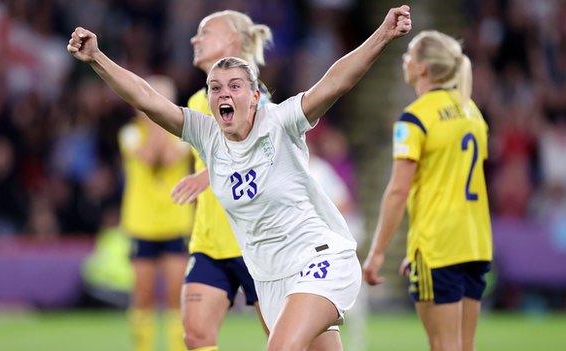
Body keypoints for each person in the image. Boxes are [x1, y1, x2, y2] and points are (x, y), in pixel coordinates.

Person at [67, 5, 411, 350]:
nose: (224, 94)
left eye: (235, 86)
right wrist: (97, 58)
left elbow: (336, 81)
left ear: (255, 96)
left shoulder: (281, 122)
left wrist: (382, 34)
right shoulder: (207, 134)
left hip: (317, 256)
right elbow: (146, 98)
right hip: (268, 276)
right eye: (215, 89)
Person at [362, 30, 493, 351]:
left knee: (443, 345)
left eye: (409, 54)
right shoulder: (472, 112)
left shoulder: (415, 118)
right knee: (464, 346)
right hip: (475, 242)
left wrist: (377, 252)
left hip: (438, 244)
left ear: (422, 68)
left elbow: (398, 191)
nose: (404, 60)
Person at [169, 10, 272, 351]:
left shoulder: (255, 96)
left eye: (204, 33)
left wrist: (207, 174)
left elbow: (266, 155)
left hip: (257, 241)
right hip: (211, 240)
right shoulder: (199, 101)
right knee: (196, 335)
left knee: (284, 338)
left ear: (232, 41)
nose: (194, 39)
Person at [118, 75, 193, 351]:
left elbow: (168, 157)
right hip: (142, 224)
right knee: (143, 296)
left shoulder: (185, 133)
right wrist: (155, 119)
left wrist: (159, 118)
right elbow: (150, 157)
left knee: (176, 296)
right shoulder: (129, 134)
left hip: (175, 222)